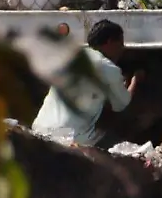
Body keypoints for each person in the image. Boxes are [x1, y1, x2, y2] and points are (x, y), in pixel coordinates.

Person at [31, 19, 141, 147]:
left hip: (40, 130)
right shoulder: (108, 68)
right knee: (121, 145)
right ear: (110, 42)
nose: (122, 49)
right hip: (72, 137)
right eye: (120, 43)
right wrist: (135, 81)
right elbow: (121, 105)